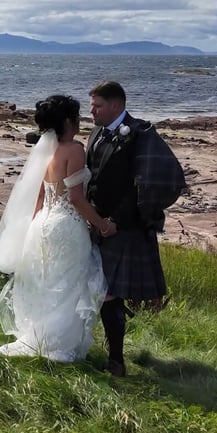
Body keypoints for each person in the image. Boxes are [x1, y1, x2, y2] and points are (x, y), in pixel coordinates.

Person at [0, 95, 115, 362]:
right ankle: (56, 343)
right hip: (66, 225)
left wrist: (33, 228)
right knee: (68, 284)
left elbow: (39, 196)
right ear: (68, 121)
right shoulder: (74, 149)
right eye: (77, 116)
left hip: (41, 224)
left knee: (48, 283)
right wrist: (102, 224)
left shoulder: (45, 150)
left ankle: (38, 336)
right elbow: (76, 198)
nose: (81, 120)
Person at [86, 81, 186, 377]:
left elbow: (141, 185)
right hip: (96, 224)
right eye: (91, 106)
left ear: (116, 105)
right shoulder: (96, 132)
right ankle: (102, 351)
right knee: (101, 291)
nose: (92, 111)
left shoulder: (139, 134)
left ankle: (116, 360)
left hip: (124, 227)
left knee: (110, 293)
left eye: (97, 106)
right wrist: (90, 215)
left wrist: (115, 221)